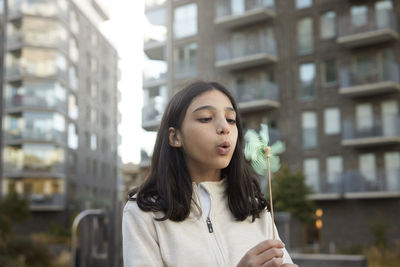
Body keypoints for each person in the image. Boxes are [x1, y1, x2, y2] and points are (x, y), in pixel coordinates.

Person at [123, 81, 298, 267]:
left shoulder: (255, 208)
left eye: (231, 119)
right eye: (206, 118)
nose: (225, 127)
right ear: (175, 137)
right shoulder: (143, 213)